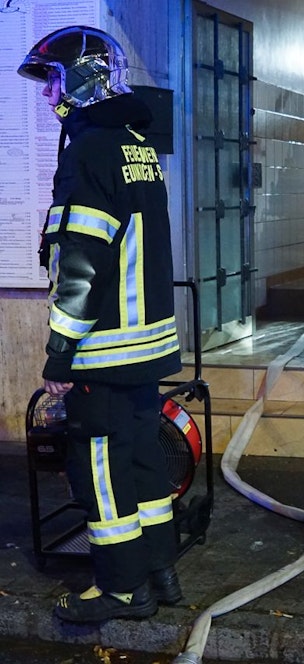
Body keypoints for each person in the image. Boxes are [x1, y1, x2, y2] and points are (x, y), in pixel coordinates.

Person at [18, 26, 184, 622]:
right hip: (147, 346)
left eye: (53, 80)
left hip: (104, 351)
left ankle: (119, 589)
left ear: (82, 77)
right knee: (141, 460)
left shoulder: (87, 151)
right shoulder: (136, 144)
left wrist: (59, 354)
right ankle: (159, 573)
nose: (47, 96)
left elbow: (81, 264)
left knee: (100, 473)